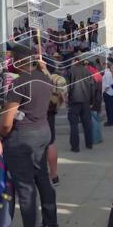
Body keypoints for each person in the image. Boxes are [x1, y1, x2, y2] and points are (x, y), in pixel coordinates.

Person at [0, 45, 61, 227]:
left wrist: (0, 136)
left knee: (26, 189)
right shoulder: (44, 79)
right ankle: (51, 226)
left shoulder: (18, 83)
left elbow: (6, 122)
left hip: (22, 140)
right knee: (43, 179)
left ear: (16, 61)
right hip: (42, 133)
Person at [44, 58, 66, 186]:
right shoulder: (59, 79)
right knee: (51, 143)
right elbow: (63, 99)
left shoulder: (41, 78)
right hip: (51, 112)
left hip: (39, 113)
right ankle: (54, 175)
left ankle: (43, 175)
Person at [66, 59, 95, 152]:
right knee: (87, 123)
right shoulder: (87, 71)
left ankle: (75, 147)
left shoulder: (70, 71)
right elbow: (92, 86)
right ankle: (89, 143)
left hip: (74, 101)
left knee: (74, 125)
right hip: (85, 100)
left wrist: (67, 99)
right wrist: (91, 101)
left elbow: (68, 86)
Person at [102, 57, 113, 126]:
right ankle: (112, 120)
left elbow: (108, 84)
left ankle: (110, 121)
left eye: (104, 64)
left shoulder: (108, 73)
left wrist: (104, 91)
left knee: (109, 108)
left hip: (107, 92)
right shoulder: (107, 72)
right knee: (110, 107)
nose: (102, 65)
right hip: (109, 92)